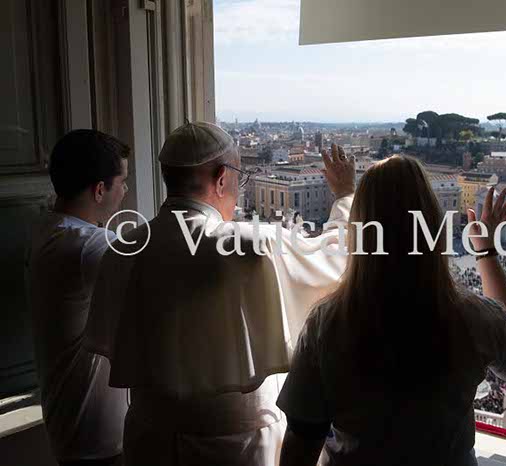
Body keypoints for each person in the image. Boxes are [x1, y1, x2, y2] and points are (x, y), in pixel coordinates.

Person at [84, 121, 356, 466]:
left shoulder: (122, 250)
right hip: (235, 447)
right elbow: (337, 259)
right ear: (222, 178)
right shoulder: (252, 245)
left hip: (148, 441)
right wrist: (345, 196)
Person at [276, 155, 506, 466]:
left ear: (359, 232)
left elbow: (301, 445)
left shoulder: (326, 324)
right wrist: (485, 250)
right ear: (434, 225)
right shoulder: (474, 316)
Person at [25, 129, 131, 465]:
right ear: (99, 190)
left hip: (69, 423)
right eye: (122, 182)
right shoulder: (88, 246)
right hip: (99, 436)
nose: (125, 191)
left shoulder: (49, 228)